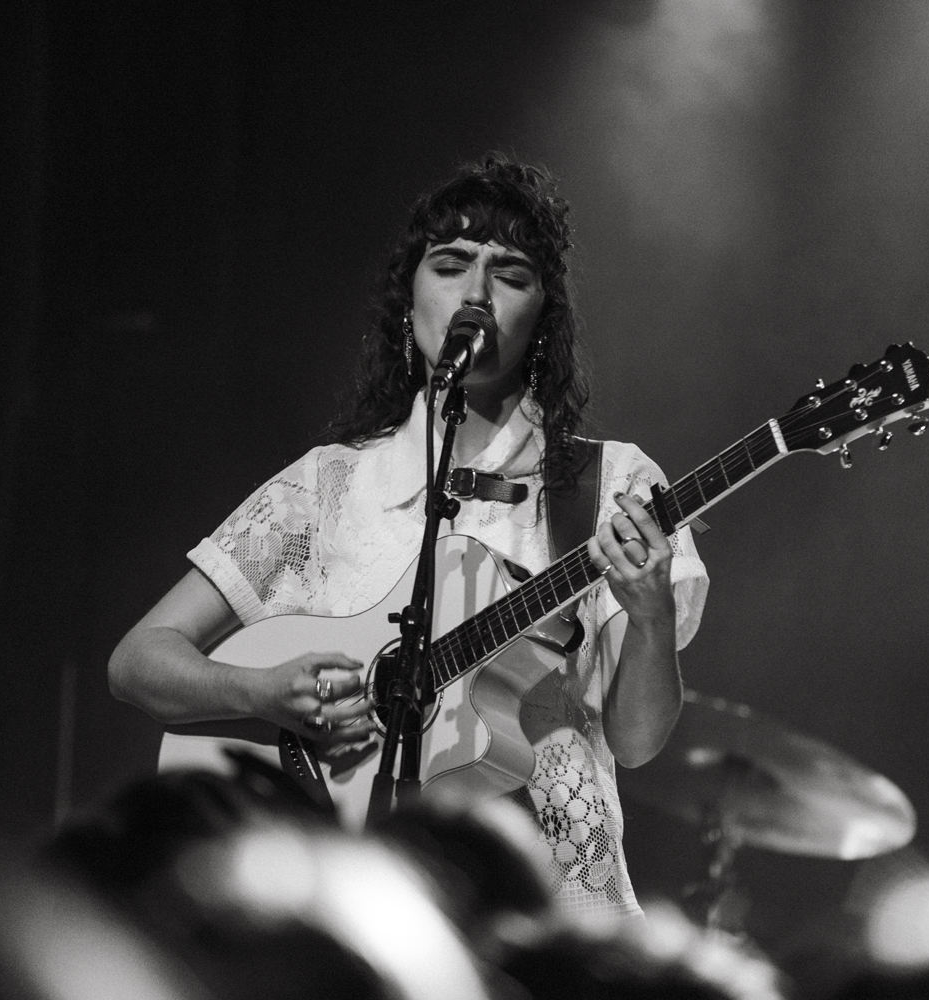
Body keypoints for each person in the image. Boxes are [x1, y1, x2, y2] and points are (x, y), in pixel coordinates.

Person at [109, 154, 708, 918]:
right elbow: (139, 660)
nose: (476, 293)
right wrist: (260, 691)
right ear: (408, 303)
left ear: (543, 319)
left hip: (553, 909)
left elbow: (638, 741)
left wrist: (650, 613)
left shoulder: (607, 484)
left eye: (510, 275)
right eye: (451, 265)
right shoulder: (326, 489)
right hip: (352, 912)